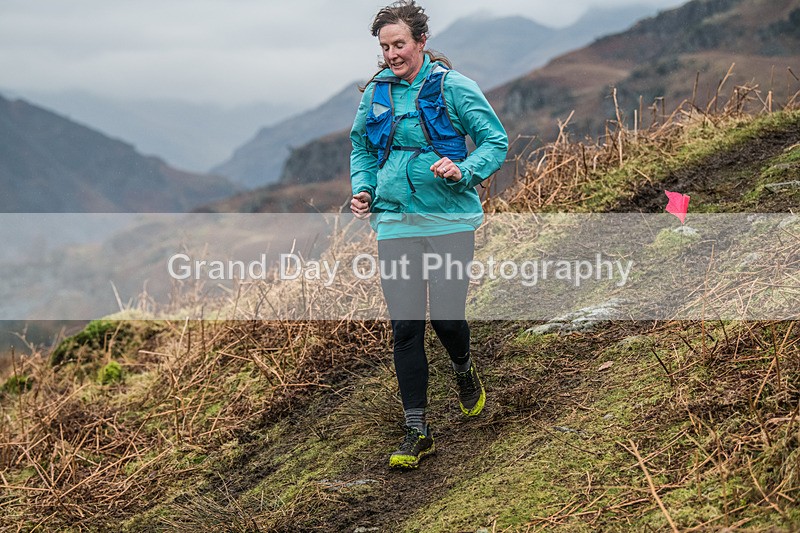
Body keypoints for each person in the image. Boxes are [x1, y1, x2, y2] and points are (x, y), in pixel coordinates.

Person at [350, 0, 508, 469]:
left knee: (444, 318)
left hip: (448, 221)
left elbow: (495, 141)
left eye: (399, 45)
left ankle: (463, 368)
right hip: (395, 220)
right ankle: (417, 429)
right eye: (384, 47)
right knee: (405, 328)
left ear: (421, 41)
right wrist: (363, 188)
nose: (392, 55)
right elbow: (360, 145)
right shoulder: (375, 91)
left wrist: (462, 169)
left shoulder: (454, 87)